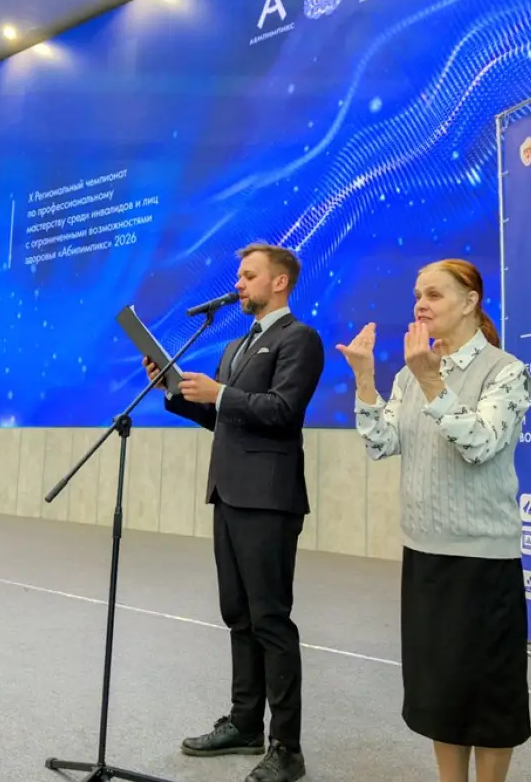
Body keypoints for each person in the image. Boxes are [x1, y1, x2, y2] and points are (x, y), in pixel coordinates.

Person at [336, 258, 531, 782]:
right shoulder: (411, 372)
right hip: (424, 553)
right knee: (440, 692)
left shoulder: (506, 371)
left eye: (434, 294)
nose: (420, 305)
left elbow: (480, 444)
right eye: (417, 295)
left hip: (482, 560)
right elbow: (382, 443)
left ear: (470, 302)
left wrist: (431, 382)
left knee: (488, 699)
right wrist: (365, 380)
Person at [143, 242, 325, 782]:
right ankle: (245, 724)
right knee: (237, 615)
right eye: (239, 276)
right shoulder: (237, 346)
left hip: (268, 500)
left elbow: (283, 410)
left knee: (270, 620)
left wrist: (220, 393)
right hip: (228, 494)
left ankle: (287, 748)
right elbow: (224, 419)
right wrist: (174, 392)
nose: (238, 284)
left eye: (248, 276)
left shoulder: (299, 339)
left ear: (279, 282)